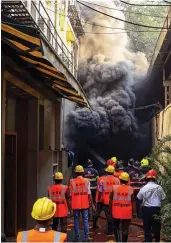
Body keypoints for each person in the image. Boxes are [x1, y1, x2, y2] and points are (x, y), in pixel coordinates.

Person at [137, 169, 166, 242]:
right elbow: (163, 198)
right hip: (156, 210)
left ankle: (148, 240)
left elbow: (138, 198)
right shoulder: (159, 187)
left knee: (147, 229)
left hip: (146, 210)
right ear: (155, 178)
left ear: (146, 178)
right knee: (157, 230)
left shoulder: (143, 188)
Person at [69, 165, 95, 242]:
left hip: (76, 205)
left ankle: (77, 237)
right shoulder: (87, 181)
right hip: (85, 204)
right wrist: (92, 203)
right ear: (83, 172)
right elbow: (89, 193)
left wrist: (70, 206)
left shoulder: (72, 181)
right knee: (85, 220)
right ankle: (86, 237)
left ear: (75, 173)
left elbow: (70, 195)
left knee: (76, 220)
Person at [110, 172, 135, 242]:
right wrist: (134, 212)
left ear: (120, 179)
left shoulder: (114, 188)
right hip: (127, 212)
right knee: (125, 229)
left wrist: (110, 208)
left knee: (115, 227)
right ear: (127, 181)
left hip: (116, 211)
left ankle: (118, 240)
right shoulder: (131, 189)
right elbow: (133, 201)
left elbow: (111, 199)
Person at [98, 165, 120, 235]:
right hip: (115, 200)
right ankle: (116, 228)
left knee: (108, 216)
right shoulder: (117, 180)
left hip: (106, 201)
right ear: (113, 172)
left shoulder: (102, 180)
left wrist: (99, 199)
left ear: (106, 172)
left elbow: (100, 191)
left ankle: (110, 230)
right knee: (115, 214)